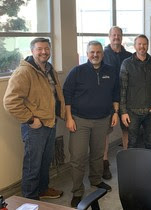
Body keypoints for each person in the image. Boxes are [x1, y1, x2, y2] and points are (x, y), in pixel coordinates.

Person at [3, 38, 65, 200]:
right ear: (32, 51)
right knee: (33, 165)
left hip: (50, 123)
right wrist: (31, 120)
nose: (44, 52)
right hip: (35, 127)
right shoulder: (24, 72)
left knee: (45, 162)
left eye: (46, 49)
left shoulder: (49, 69)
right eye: (39, 49)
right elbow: (10, 102)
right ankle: (29, 199)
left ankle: (43, 189)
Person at [63, 41, 119, 207]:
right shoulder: (77, 71)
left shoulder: (110, 71)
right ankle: (77, 191)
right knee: (78, 157)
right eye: (92, 52)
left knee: (97, 154)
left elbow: (116, 92)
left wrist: (115, 112)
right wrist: (69, 118)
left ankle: (95, 180)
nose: (95, 55)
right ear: (87, 54)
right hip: (80, 120)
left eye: (98, 52)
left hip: (103, 120)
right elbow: (67, 95)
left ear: (103, 53)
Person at [120, 35, 151, 149]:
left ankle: (150, 166)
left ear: (148, 46)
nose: (142, 46)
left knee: (150, 142)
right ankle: (132, 166)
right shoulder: (126, 63)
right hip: (132, 112)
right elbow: (122, 89)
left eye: (144, 44)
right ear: (135, 46)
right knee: (132, 142)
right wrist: (123, 111)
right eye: (139, 44)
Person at [102, 26, 132, 180]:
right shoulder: (103, 54)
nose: (116, 37)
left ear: (122, 37)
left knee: (127, 129)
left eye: (119, 35)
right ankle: (105, 162)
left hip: (126, 99)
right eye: (113, 35)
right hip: (107, 99)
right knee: (105, 132)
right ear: (109, 36)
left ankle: (127, 161)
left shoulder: (128, 55)